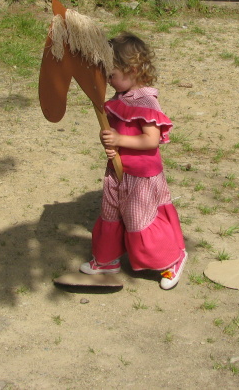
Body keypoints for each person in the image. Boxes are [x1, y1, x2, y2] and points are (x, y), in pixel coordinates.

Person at [80, 33, 187, 289]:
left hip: (141, 176)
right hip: (117, 170)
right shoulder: (120, 98)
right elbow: (116, 132)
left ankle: (172, 259)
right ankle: (107, 260)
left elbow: (151, 140)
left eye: (112, 75)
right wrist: (110, 141)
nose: (109, 80)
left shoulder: (146, 102)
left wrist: (119, 139)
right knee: (111, 214)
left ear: (133, 70)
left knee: (140, 220)